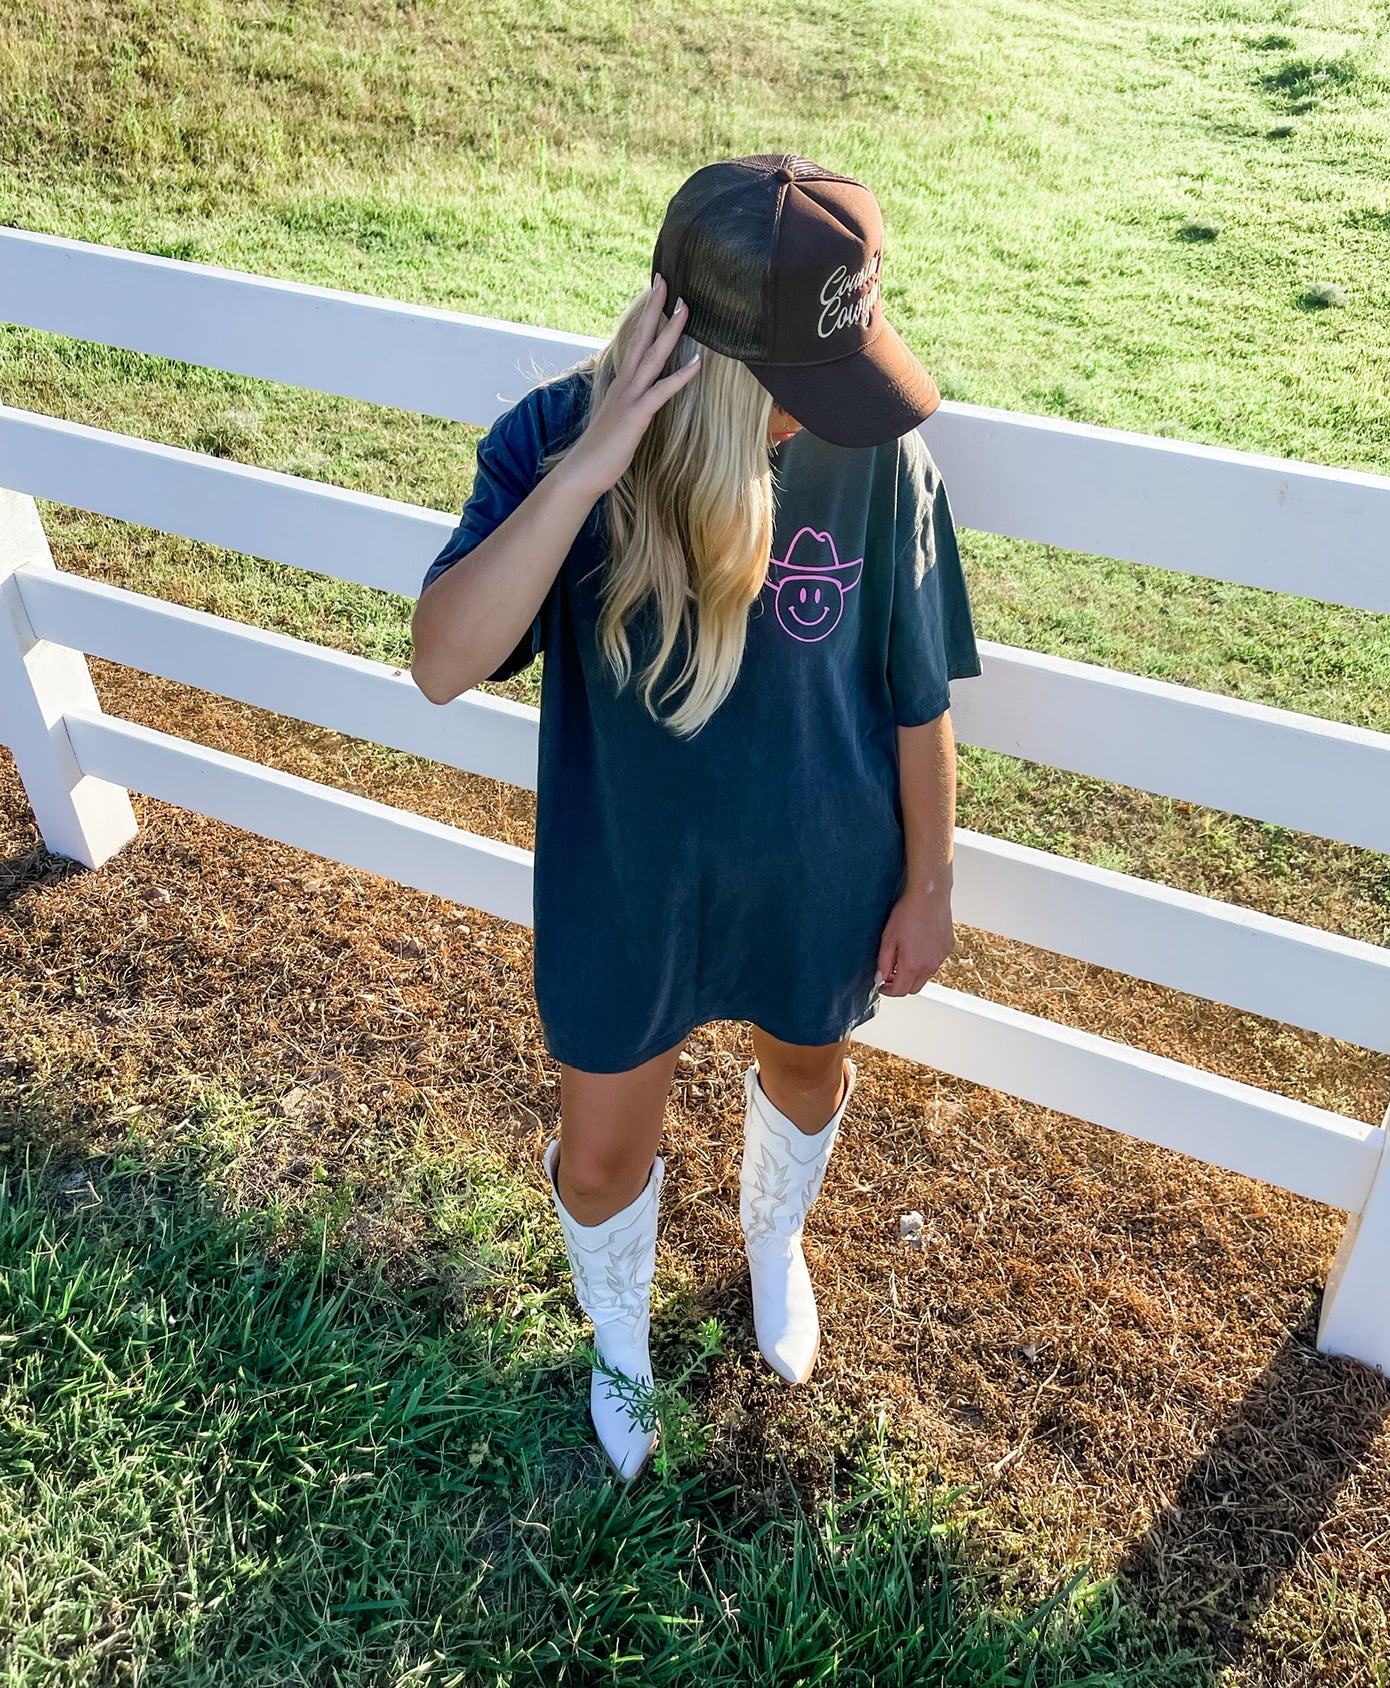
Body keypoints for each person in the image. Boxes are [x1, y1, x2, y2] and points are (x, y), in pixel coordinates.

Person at [410, 154, 983, 1481]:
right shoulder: (556, 445)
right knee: (604, 1159)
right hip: (628, 888)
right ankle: (619, 1335)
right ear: (710, 358)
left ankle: (771, 1241)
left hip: (821, 873)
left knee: (805, 1073)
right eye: (807, 379)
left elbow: (913, 692)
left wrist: (931, 881)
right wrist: (583, 479)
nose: (838, 409)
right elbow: (443, 663)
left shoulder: (873, 453)